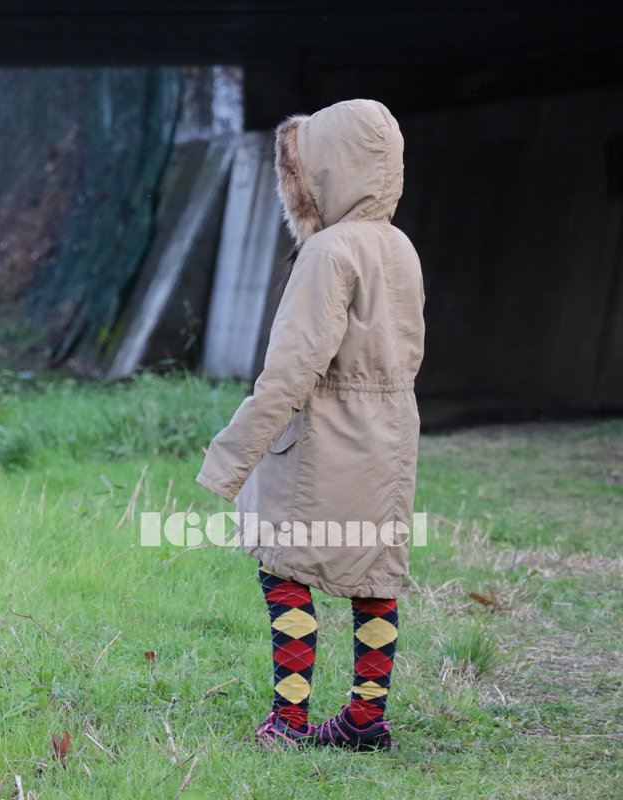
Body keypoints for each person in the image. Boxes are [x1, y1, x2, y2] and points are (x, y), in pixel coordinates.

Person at [196, 99, 425, 751]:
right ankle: (365, 720)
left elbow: (292, 371)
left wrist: (232, 455)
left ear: (328, 169)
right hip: (390, 435)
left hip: (322, 438)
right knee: (374, 575)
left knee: (285, 570)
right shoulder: (400, 246)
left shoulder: (327, 251)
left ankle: (289, 722)